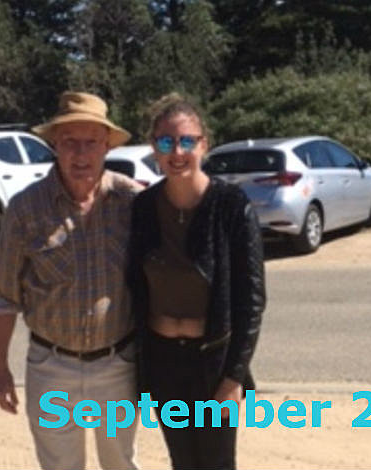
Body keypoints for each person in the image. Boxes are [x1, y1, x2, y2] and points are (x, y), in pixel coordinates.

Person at [0, 91, 143, 470]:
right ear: (54, 144)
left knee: (120, 464)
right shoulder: (25, 209)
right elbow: (4, 296)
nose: (80, 153)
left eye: (91, 142)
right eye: (70, 141)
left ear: (107, 146)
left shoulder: (133, 202)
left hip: (118, 365)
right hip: (51, 367)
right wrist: (0, 370)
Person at [127, 93, 265, 470]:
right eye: (166, 142)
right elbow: (134, 286)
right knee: (183, 462)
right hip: (163, 361)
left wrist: (234, 377)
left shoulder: (231, 206)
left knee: (217, 463)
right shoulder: (143, 207)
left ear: (204, 145)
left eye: (187, 141)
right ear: (154, 148)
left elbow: (251, 301)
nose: (177, 152)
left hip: (213, 361)